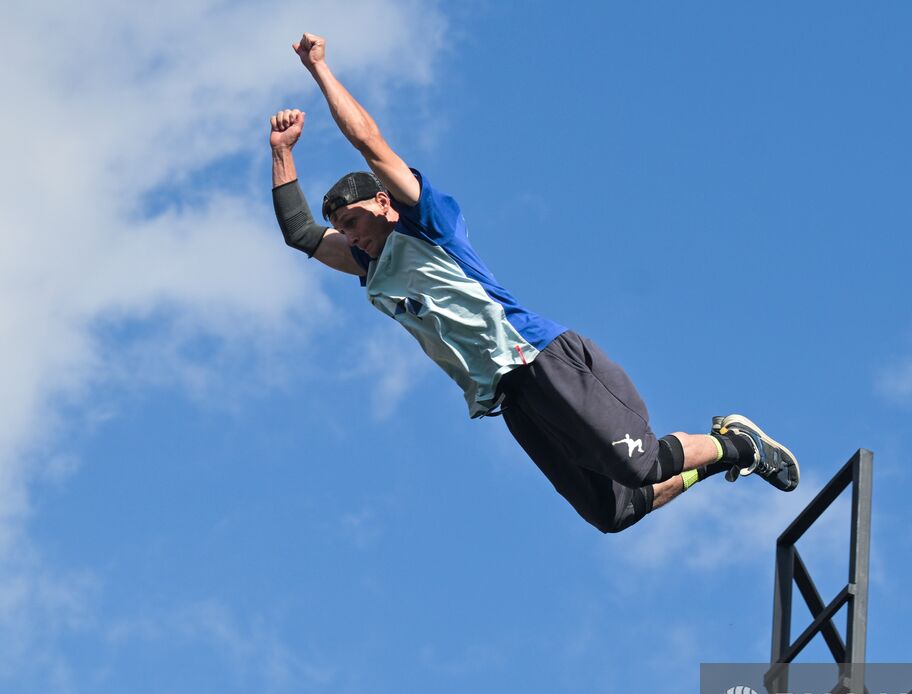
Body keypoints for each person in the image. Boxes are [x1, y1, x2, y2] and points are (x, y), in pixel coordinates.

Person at [268, 33, 799, 533]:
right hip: (511, 399)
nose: (351, 238)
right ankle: (725, 454)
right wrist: (281, 152)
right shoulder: (373, 269)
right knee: (613, 511)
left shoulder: (427, 223)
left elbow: (368, 140)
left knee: (643, 465)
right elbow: (299, 234)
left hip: (540, 359)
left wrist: (318, 68)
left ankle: (735, 443)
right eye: (344, 231)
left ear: (384, 203)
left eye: (355, 222)